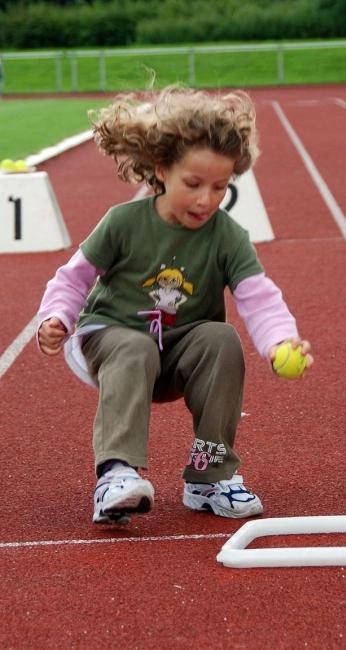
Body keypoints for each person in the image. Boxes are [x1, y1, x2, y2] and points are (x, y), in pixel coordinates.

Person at [37, 85, 313, 525]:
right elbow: (74, 277)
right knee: (134, 346)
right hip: (110, 340)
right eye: (194, 184)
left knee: (222, 338)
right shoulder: (122, 223)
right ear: (162, 169)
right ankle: (116, 473)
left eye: (221, 186)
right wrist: (56, 317)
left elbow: (259, 298)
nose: (207, 199)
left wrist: (281, 341)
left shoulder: (227, 237)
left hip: (179, 351)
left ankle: (208, 477)